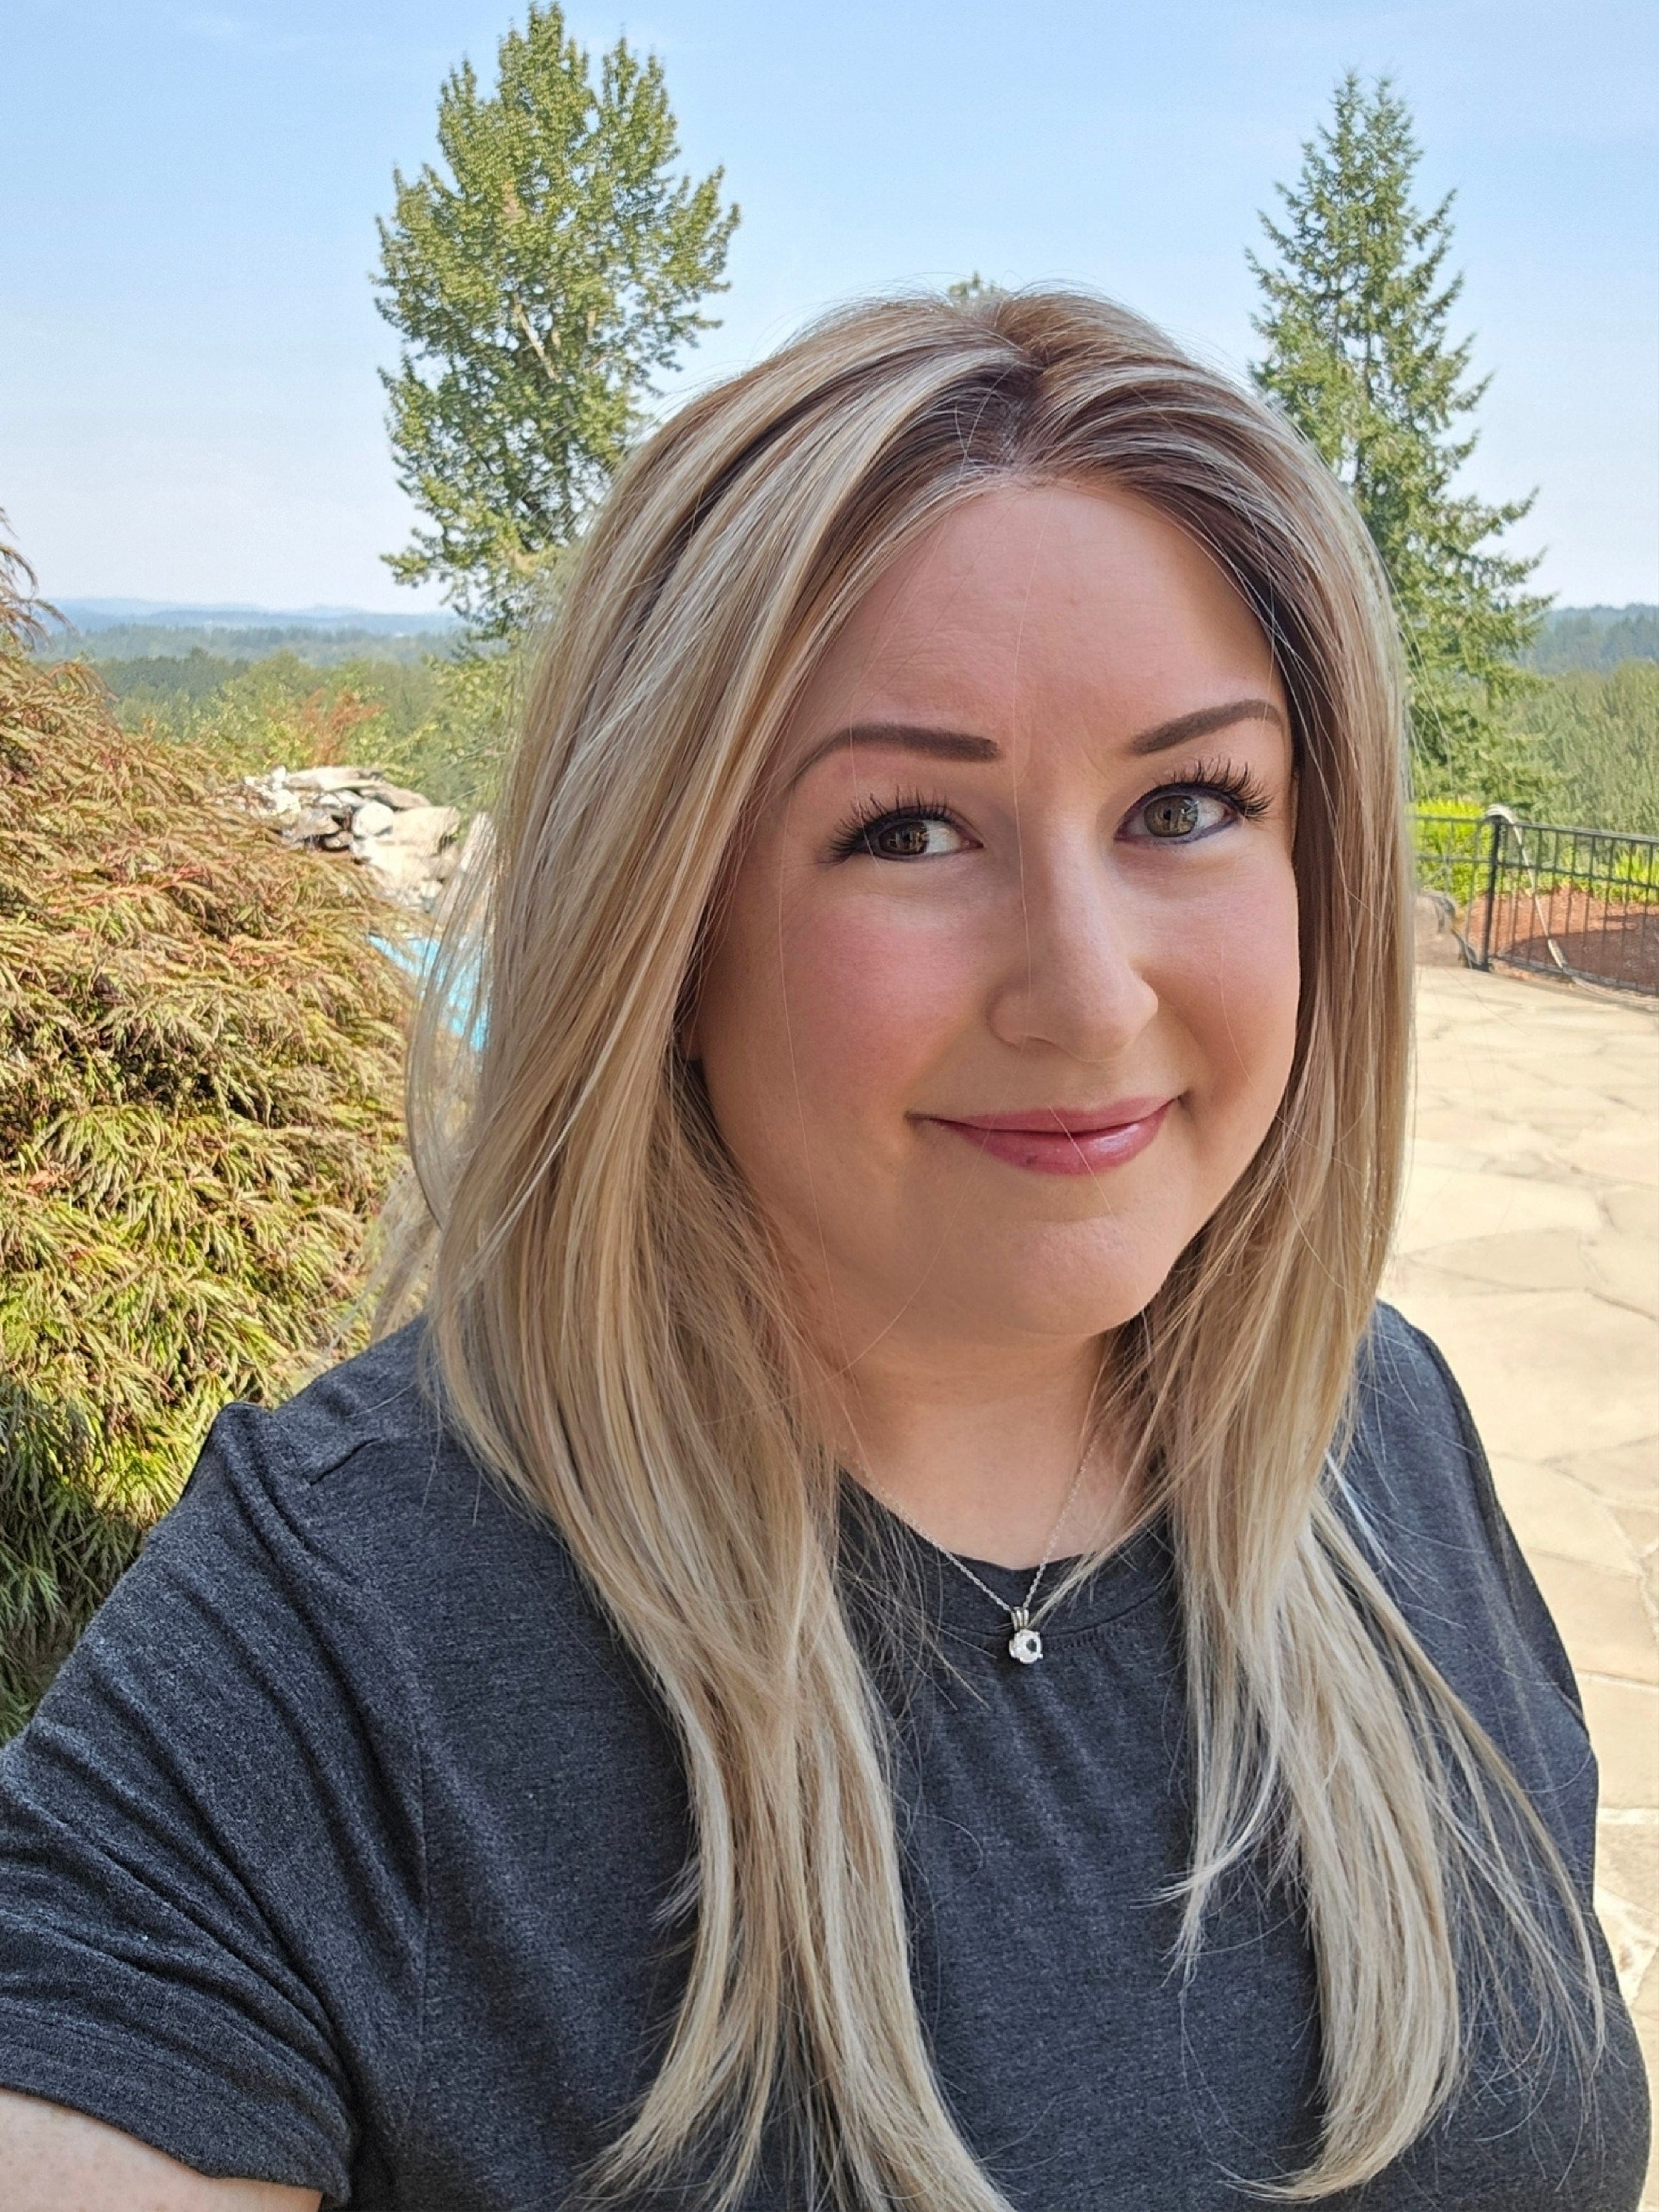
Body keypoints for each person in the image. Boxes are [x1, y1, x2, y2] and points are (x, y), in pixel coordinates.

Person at [0, 290, 1646, 2212]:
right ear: (668, 924)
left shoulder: (1386, 1426)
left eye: (1186, 805)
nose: (1091, 992)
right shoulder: (341, 1637)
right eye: (911, 832)